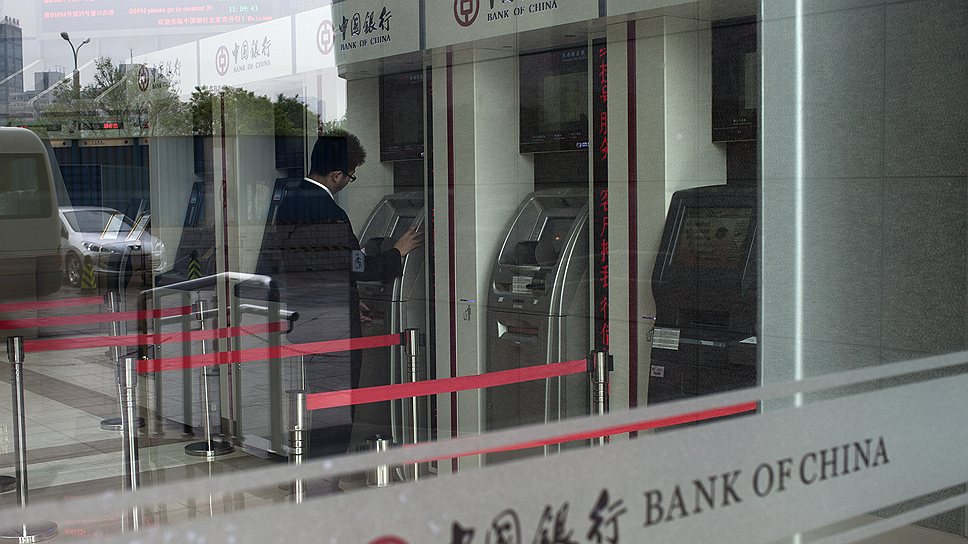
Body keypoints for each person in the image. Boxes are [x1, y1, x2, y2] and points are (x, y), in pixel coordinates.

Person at [258, 134, 421, 458]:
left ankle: (316, 470)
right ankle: (326, 475)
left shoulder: (290, 202)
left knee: (322, 407)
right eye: (350, 176)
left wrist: (347, 297)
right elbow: (355, 264)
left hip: (308, 319)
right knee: (337, 412)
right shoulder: (329, 212)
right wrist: (396, 253)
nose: (348, 182)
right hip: (333, 330)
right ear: (336, 175)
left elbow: (314, 265)